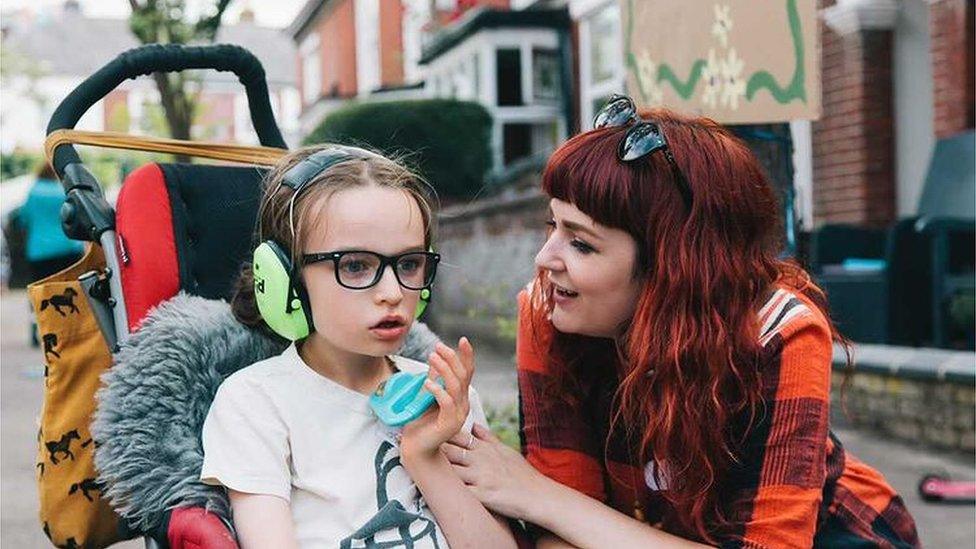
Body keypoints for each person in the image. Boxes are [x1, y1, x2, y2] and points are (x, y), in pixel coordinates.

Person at [442, 95, 920, 548]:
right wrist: (550, 504)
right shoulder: (551, 311)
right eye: (553, 227)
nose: (546, 259)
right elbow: (562, 528)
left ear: (671, 267)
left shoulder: (777, 332)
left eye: (581, 243)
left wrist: (538, 496)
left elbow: (555, 506)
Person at [200, 145, 517, 548]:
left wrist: (425, 457)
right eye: (354, 265)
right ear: (286, 280)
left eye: (408, 264)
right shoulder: (256, 404)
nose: (392, 292)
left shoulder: (446, 393)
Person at [19, 162, 84, 281]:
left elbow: (23, 220)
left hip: (40, 251)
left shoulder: (33, 192)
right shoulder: (64, 191)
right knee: (72, 291)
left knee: (43, 293)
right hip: (68, 247)